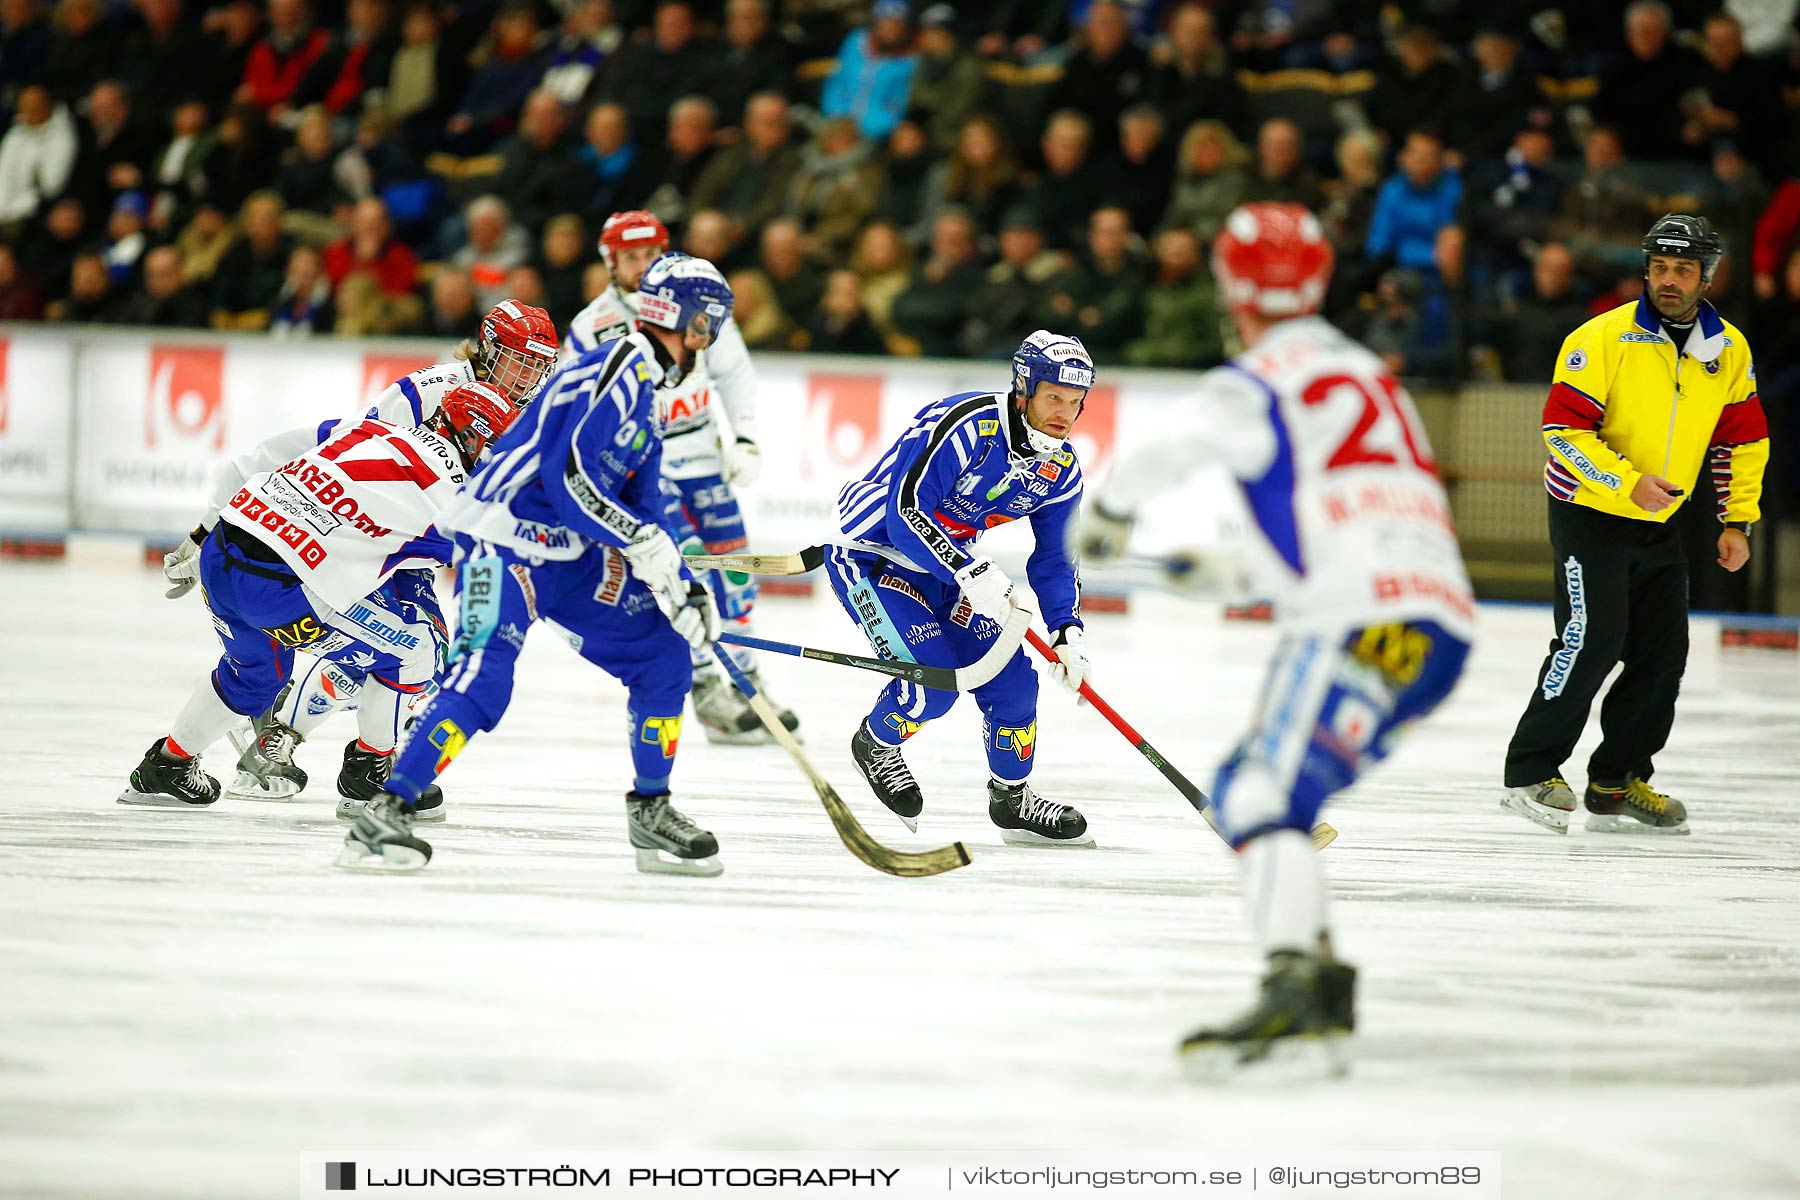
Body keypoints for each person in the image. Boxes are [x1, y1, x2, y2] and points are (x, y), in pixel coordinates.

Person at [1081, 203, 1475, 1076]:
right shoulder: (1368, 370)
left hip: (1352, 618)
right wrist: (1224, 574)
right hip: (1436, 626)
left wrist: (1106, 517)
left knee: (1255, 789)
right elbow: (1351, 510)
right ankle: (1318, 979)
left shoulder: (1254, 379)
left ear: (1229, 282)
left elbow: (1167, 453)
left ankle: (1297, 984)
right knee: (1271, 791)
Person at [338, 254, 736, 876]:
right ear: (686, 321)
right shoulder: (619, 368)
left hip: (569, 552)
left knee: (664, 655)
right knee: (485, 674)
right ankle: (388, 809)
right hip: (502, 540)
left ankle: (651, 809)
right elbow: (569, 477)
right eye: (709, 325)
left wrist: (680, 586)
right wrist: (646, 546)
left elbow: (642, 501)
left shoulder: (649, 392)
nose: (709, 341)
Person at [119, 381, 523, 818]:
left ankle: (166, 765)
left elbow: (261, 458)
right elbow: (500, 556)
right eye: (497, 448)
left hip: (220, 554)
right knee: (419, 646)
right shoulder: (452, 497)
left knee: (256, 674)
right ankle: (370, 776)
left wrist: (200, 532)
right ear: (472, 437)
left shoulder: (368, 429)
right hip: (280, 590)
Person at [1499, 215, 1767, 835]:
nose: (1669, 281)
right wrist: (1625, 482)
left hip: (1659, 517)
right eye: (1660, 267)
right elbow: (1562, 433)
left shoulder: (1728, 350)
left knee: (1661, 655)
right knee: (1591, 640)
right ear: (1645, 270)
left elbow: (1743, 441)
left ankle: (1616, 781)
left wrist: (1737, 522)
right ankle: (1529, 772)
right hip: (1589, 513)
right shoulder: (1599, 339)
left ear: (1706, 277)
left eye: (1683, 269)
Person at [228, 301, 559, 802]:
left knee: (415, 653)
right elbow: (354, 447)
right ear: (490, 351)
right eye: (520, 361)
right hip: (372, 541)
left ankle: (325, 752)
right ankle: (317, 752)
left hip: (419, 544)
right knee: (404, 646)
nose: (529, 376)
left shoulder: (530, 408)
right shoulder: (432, 390)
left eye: (540, 365)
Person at [828, 330, 1099, 847]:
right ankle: (877, 743)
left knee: (1014, 682)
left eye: (1075, 402)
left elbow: (1054, 558)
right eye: (1054, 397)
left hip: (947, 570)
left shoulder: (1060, 469)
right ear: (1024, 388)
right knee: (933, 684)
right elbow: (905, 513)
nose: (1065, 413)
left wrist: (1068, 632)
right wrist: (973, 573)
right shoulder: (965, 424)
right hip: (871, 557)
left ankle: (1012, 798)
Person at [561, 210, 798, 744]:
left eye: (651, 255)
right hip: (645, 464)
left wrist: (746, 437)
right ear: (609, 261)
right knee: (689, 572)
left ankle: (746, 681)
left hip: (702, 456)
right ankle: (707, 685)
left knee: (738, 570)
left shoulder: (697, 295)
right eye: (631, 258)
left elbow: (734, 371)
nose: (644, 268)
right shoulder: (591, 326)